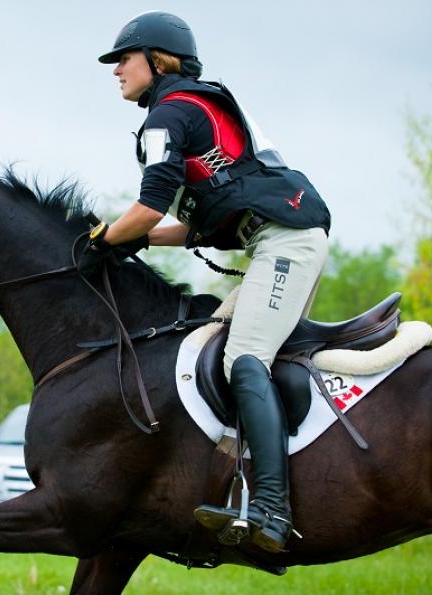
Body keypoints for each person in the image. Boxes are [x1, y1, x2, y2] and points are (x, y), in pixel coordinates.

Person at [85, 11, 330, 553]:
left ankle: (271, 507)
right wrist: (136, 241)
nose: (116, 70)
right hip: (278, 238)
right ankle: (228, 482)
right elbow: (195, 226)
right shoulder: (189, 109)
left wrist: (103, 242)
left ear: (156, 60)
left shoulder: (168, 116)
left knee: (242, 358)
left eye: (123, 59)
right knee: (210, 342)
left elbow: (148, 207)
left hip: (283, 242)